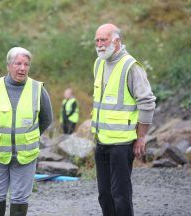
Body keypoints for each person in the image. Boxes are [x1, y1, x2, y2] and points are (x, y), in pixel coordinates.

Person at [91, 23, 156, 216]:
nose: (100, 44)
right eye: (97, 40)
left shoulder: (131, 66)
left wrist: (141, 137)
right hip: (101, 141)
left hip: (122, 144)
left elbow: (147, 102)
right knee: (104, 195)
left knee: (121, 195)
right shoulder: (98, 63)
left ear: (117, 41)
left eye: (104, 40)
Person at [0, 47, 53, 216]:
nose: (22, 68)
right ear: (9, 65)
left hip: (26, 156)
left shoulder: (38, 89)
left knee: (20, 200)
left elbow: (47, 119)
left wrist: (29, 137)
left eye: (26, 64)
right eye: (18, 63)